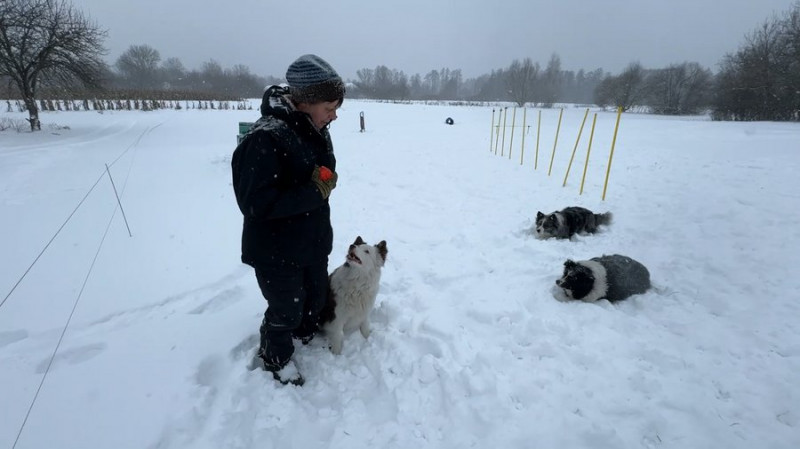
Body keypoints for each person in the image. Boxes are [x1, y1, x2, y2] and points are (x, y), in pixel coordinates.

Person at [231, 54, 345, 386]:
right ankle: (275, 355)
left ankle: (303, 333)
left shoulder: (315, 127)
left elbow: (323, 170)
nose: (334, 115)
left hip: (312, 240)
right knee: (286, 310)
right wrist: (315, 190)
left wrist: (326, 178)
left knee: (315, 300)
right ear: (306, 100)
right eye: (330, 107)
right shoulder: (264, 138)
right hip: (276, 250)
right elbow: (255, 203)